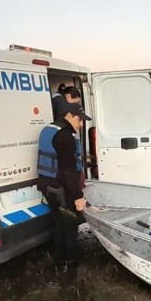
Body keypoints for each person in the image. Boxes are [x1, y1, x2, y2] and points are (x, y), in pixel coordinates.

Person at [37, 99, 91, 265]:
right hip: (60, 188)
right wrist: (78, 196)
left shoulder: (49, 129)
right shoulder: (65, 135)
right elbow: (67, 171)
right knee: (70, 222)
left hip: (46, 186)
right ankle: (71, 260)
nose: (81, 124)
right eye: (79, 119)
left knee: (59, 222)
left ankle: (59, 259)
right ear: (69, 115)